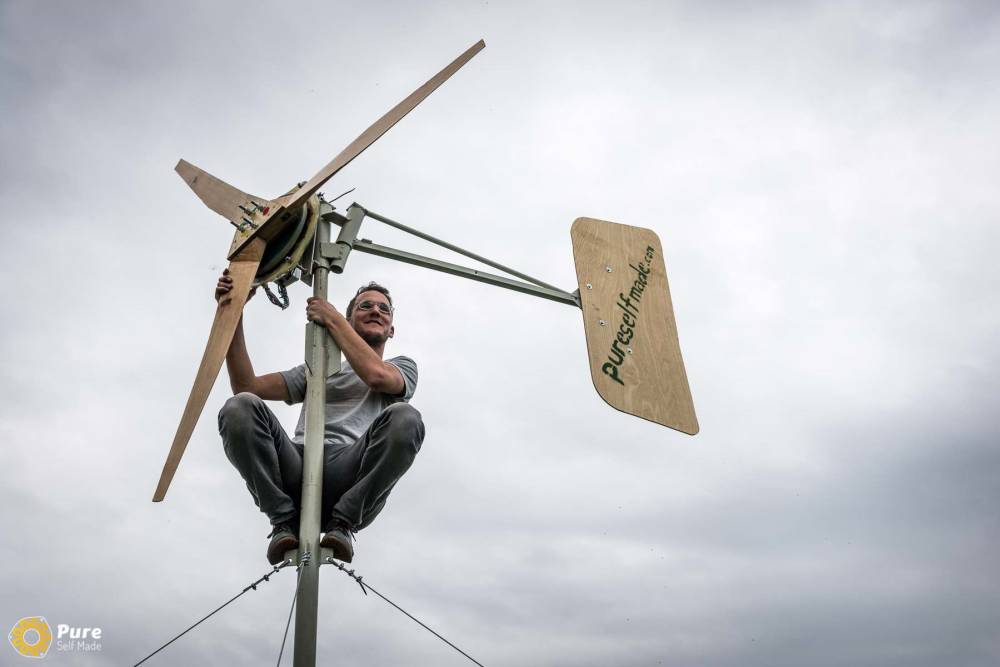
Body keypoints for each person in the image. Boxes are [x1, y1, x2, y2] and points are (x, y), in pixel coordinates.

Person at [215, 270, 424, 564]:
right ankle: (282, 520)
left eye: (383, 308)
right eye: (365, 305)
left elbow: (377, 377)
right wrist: (231, 310)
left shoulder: (402, 367)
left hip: (351, 475)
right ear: (352, 320)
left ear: (391, 329)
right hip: (298, 467)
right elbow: (246, 386)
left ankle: (344, 524)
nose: (375, 310)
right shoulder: (317, 370)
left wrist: (332, 318)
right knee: (239, 407)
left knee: (406, 418)